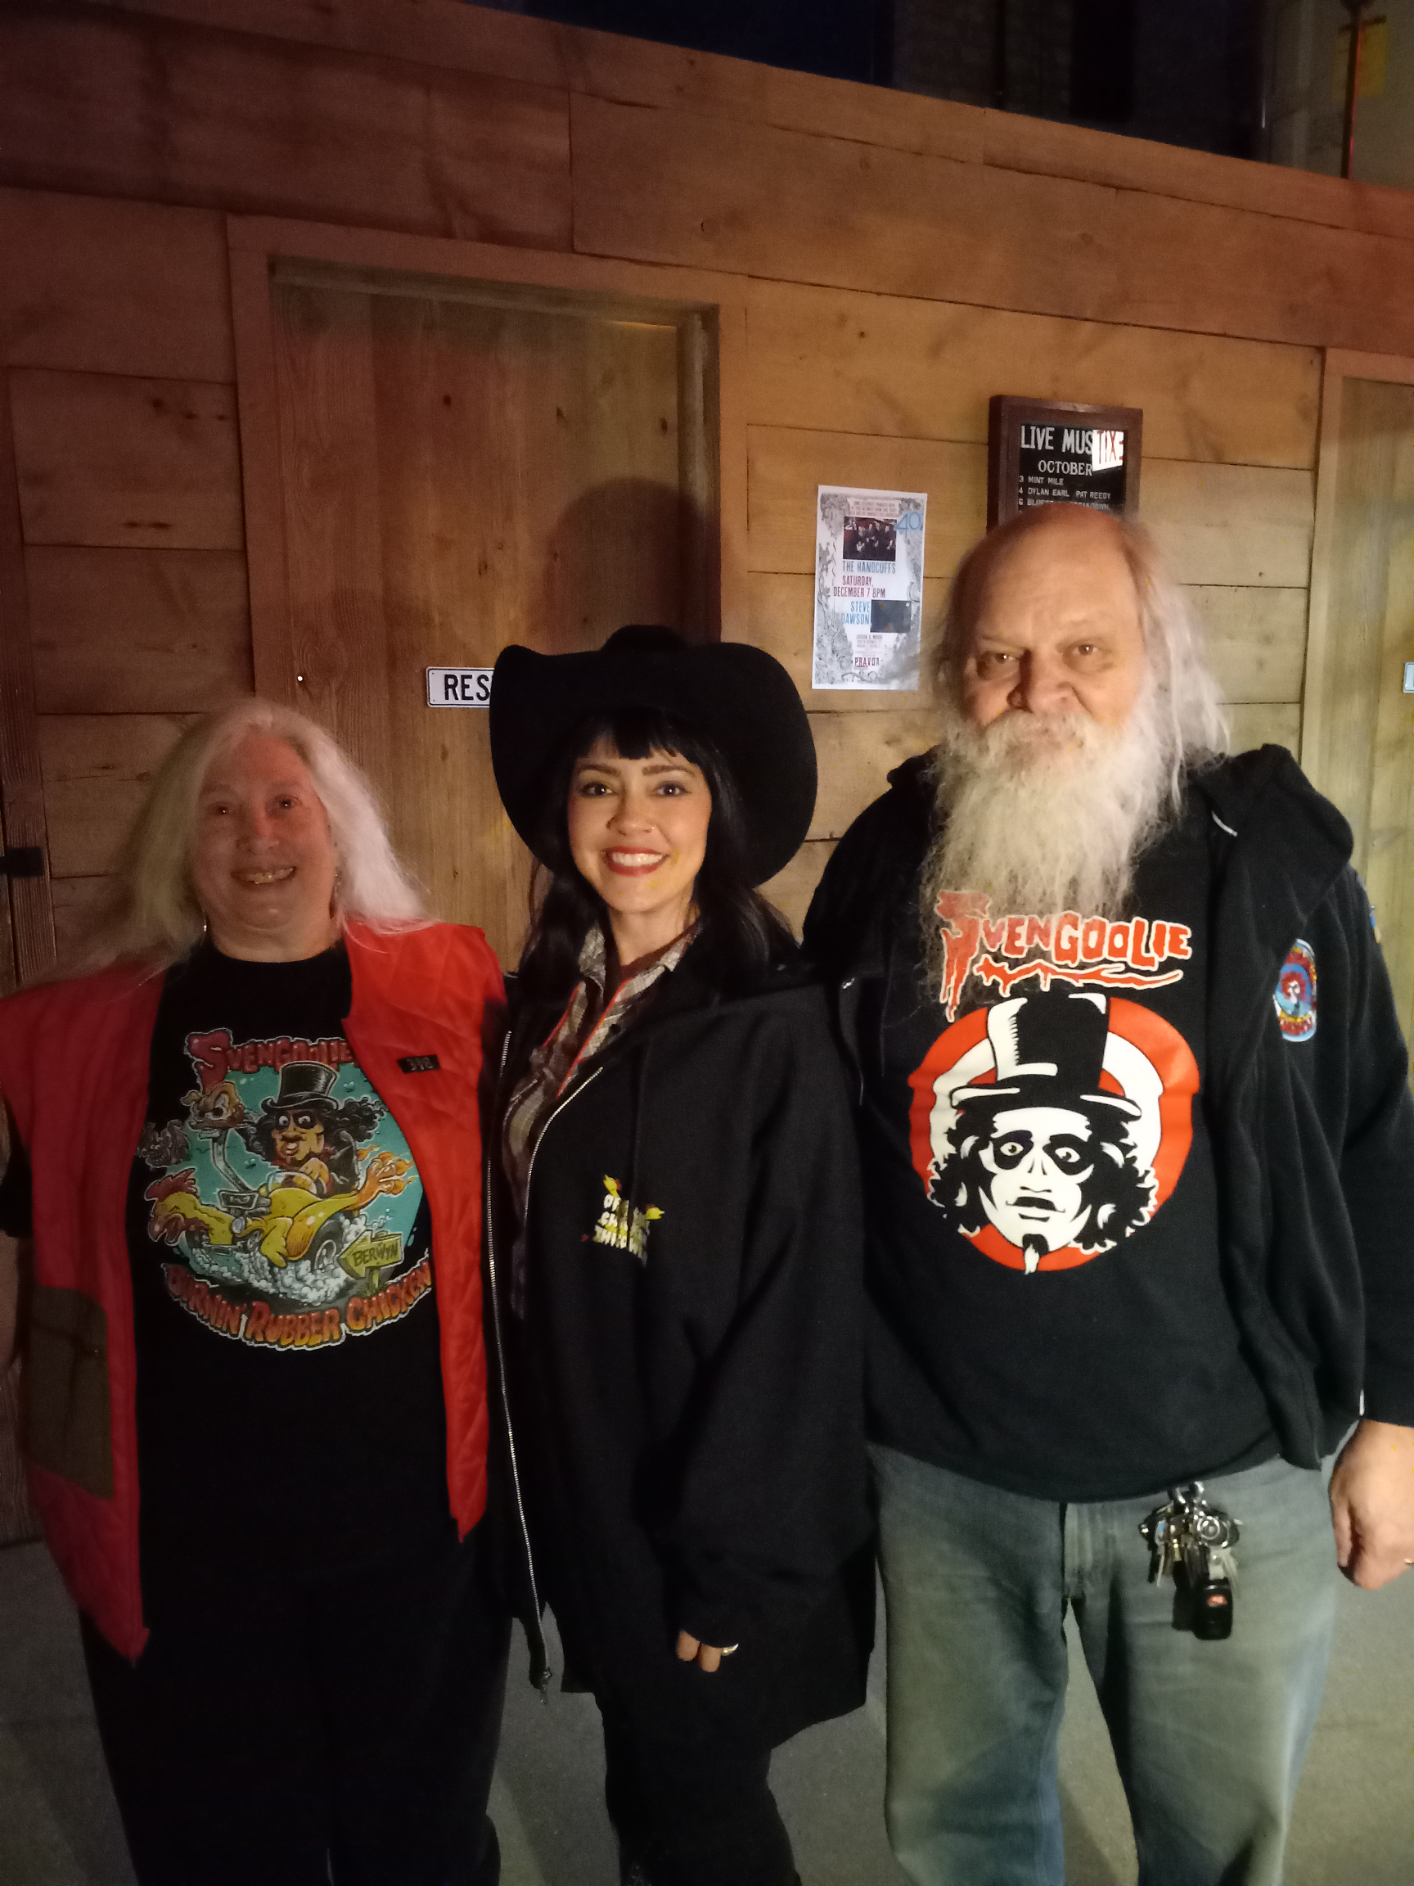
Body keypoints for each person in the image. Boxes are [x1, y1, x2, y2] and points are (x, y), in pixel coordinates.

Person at [803, 502, 1414, 1886]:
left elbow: (1376, 1135)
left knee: (1216, 1844)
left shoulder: (1273, 862)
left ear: (1159, 657)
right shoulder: (888, 856)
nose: (1038, 691)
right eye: (995, 657)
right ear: (951, 673)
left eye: (1083, 648)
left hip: (1219, 1470)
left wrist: (1398, 1417)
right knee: (961, 1840)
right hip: (942, 1471)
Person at [0, 699, 510, 1886]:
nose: (257, 834)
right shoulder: (77, 1029)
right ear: (177, 845)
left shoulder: (453, 984)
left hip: (415, 1519)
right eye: (218, 810)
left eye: (286, 802)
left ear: (339, 829)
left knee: (422, 1834)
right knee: (221, 1843)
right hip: (183, 1539)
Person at [486, 626, 873, 1886]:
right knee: (646, 1786)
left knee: (707, 1819)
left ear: (722, 809)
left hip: (697, 1515)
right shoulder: (550, 1000)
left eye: (668, 783)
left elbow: (797, 1320)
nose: (630, 819)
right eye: (598, 783)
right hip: (594, 1481)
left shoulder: (770, 1030)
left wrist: (735, 1565)